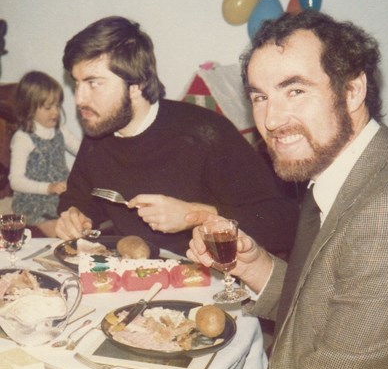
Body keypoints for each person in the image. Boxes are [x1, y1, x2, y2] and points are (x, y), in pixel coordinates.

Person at [187, 11, 388, 369]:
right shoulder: (336, 168)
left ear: (352, 90)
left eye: (295, 91)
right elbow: (317, 312)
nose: (271, 120)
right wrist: (255, 267)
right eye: (260, 97)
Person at [55, 15, 298, 256]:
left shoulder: (205, 133)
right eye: (77, 84)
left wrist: (195, 215)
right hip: (132, 277)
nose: (79, 99)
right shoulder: (99, 131)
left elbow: (284, 223)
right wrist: (76, 215)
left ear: (136, 85)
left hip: (210, 283)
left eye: (93, 83)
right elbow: (79, 198)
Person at [9, 71, 81, 237]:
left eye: (57, 105)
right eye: (48, 107)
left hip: (62, 196)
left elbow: (82, 152)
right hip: (34, 200)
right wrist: (48, 188)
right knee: (60, 234)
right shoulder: (23, 138)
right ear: (29, 108)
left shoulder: (61, 130)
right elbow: (15, 181)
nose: (55, 112)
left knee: (80, 223)